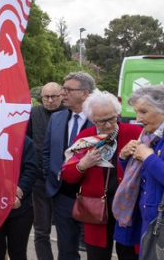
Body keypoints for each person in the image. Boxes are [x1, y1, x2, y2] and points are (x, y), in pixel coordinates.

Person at [60, 90, 140, 260]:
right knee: (97, 255)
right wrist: (82, 165)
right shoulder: (85, 138)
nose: (109, 125)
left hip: (128, 208)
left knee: (129, 254)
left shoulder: (134, 133)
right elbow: (67, 175)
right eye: (101, 121)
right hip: (95, 209)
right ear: (91, 119)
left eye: (112, 118)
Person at [43, 71, 96, 260]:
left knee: (95, 250)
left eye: (68, 89)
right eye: (63, 88)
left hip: (93, 198)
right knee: (66, 250)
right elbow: (47, 152)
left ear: (85, 93)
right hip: (62, 195)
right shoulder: (56, 119)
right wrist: (51, 176)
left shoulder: (100, 120)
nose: (63, 93)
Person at [114, 85, 164, 255]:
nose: (138, 118)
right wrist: (124, 157)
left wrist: (149, 158)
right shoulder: (148, 136)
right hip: (146, 218)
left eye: (143, 111)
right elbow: (139, 176)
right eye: (137, 112)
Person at [0, 135, 39, 260]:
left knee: (18, 252)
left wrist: (19, 190)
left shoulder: (25, 141)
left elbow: (31, 169)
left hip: (19, 208)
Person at [26, 82, 65, 260]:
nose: (49, 100)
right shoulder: (33, 114)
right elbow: (27, 142)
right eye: (45, 97)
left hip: (64, 181)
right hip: (39, 180)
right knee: (41, 230)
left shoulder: (69, 114)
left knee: (66, 229)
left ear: (62, 96)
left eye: (53, 96)